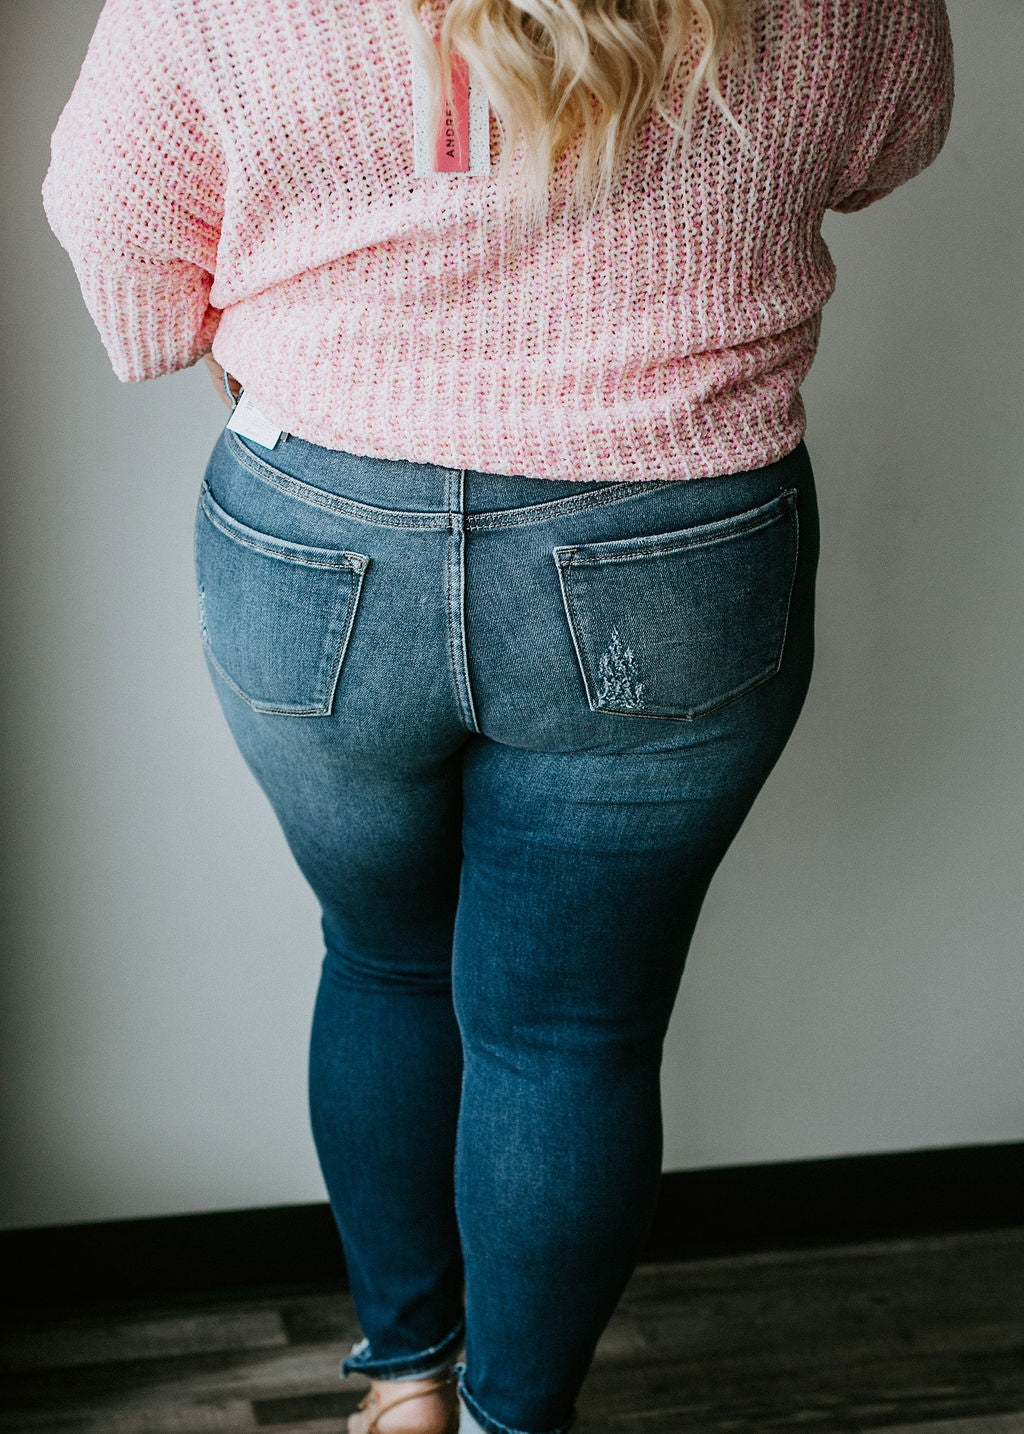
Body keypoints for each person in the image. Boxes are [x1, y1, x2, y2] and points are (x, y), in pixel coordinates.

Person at [41, 0, 953, 1430]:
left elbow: (129, 263)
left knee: (383, 960)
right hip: (673, 537)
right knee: (569, 1036)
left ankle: (407, 1385)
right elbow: (896, 132)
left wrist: (275, 318)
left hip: (323, 533)